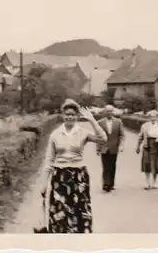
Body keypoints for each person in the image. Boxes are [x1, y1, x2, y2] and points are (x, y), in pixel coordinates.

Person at [39, 98, 107, 233]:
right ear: (63, 115)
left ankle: (79, 239)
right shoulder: (55, 134)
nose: (69, 117)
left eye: (72, 114)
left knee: (80, 207)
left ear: (76, 116)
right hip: (60, 175)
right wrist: (44, 183)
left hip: (78, 176)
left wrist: (92, 120)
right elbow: (49, 160)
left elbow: (103, 139)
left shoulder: (83, 132)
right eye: (67, 114)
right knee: (60, 209)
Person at [96, 105, 126, 192]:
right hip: (104, 147)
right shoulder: (100, 122)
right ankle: (106, 184)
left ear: (113, 112)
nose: (109, 112)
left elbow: (122, 135)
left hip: (114, 148)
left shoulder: (118, 122)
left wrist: (121, 145)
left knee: (112, 166)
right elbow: (98, 136)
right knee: (105, 166)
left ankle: (111, 183)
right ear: (105, 112)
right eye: (107, 111)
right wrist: (98, 149)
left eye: (111, 111)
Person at [136, 110, 158, 190]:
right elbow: (140, 137)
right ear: (148, 117)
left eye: (154, 116)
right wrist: (138, 147)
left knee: (155, 164)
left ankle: (154, 182)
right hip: (147, 145)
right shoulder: (144, 126)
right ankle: (147, 183)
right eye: (151, 116)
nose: (153, 118)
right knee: (146, 163)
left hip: (157, 146)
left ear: (157, 117)